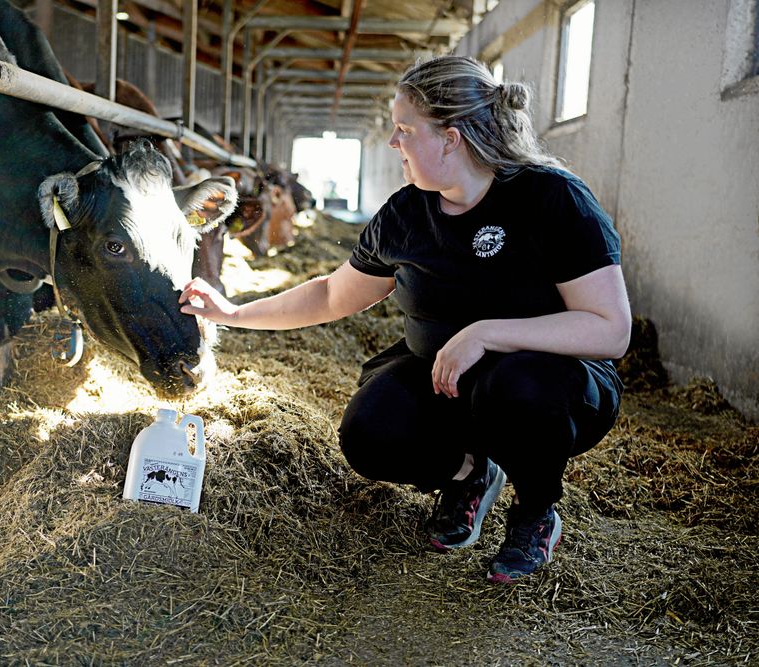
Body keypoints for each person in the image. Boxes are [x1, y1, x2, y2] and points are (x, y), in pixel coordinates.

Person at [179, 55, 631, 584]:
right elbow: (330, 296)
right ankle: (467, 474)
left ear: (450, 138)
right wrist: (234, 313)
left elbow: (610, 329)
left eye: (404, 130)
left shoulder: (552, 200)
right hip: (442, 375)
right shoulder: (406, 213)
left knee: (517, 385)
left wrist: (486, 333)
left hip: (552, 387)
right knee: (370, 432)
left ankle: (534, 512)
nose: (394, 144)